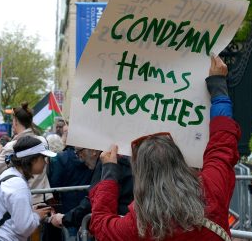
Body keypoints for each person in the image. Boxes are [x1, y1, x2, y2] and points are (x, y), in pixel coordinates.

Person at [88, 56, 241, 241]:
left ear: (141, 173)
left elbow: (100, 224)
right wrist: (218, 88)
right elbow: (223, 141)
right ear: (179, 160)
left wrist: (110, 172)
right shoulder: (211, 189)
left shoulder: (137, 226)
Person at [0, 135, 55, 241]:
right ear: (33, 160)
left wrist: (30, 212)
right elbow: (23, 228)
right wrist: (37, 216)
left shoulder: (9, 174)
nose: (45, 162)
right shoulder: (19, 186)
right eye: (43, 157)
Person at [0, 102, 53, 204]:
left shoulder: (12, 146)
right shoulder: (43, 140)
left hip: (22, 199)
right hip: (42, 198)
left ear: (15, 122)